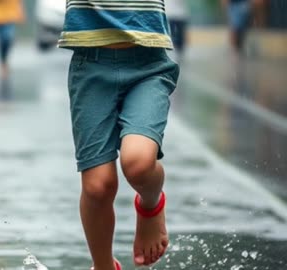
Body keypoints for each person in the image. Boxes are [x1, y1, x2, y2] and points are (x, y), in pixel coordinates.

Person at [58, 0, 179, 269]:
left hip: (148, 64)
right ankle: (102, 266)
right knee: (97, 186)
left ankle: (151, 204)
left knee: (138, 164)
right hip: (90, 66)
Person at [0, 0, 24, 79]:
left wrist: (20, 12)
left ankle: (5, 61)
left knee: (8, 38)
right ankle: (3, 63)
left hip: (11, 16)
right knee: (2, 40)